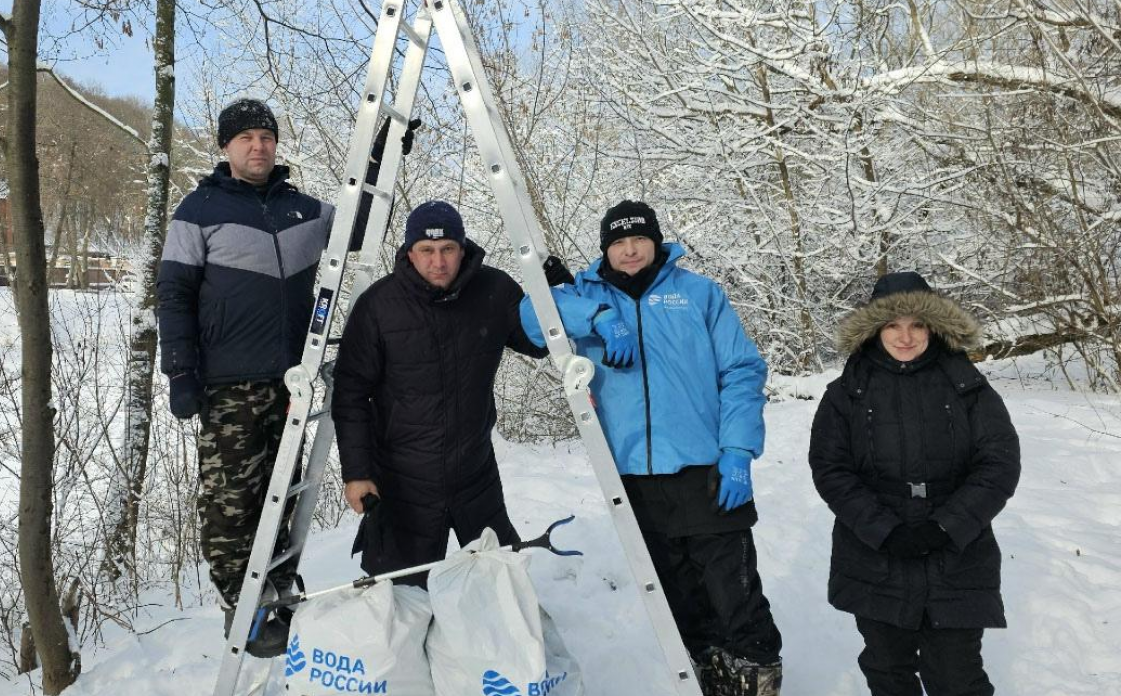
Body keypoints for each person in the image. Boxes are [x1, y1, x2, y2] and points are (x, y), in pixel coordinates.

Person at [156, 98, 414, 655]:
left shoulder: (304, 211)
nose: (258, 146)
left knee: (280, 496)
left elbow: (359, 231)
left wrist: (379, 164)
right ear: (226, 147)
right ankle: (240, 609)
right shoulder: (197, 210)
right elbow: (173, 293)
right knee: (231, 502)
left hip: (291, 382)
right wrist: (180, 369)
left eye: (266, 137)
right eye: (246, 138)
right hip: (228, 385)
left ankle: (274, 589)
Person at [520, 200, 783, 695]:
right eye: (618, 242)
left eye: (638, 239)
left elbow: (742, 371)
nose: (630, 249)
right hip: (634, 476)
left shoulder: (699, 293)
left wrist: (738, 452)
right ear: (606, 250)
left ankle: (758, 676)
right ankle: (711, 675)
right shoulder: (585, 295)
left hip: (706, 468)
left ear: (656, 242)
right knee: (676, 591)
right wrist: (597, 316)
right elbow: (530, 315)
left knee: (735, 592)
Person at [808, 271, 1019, 696]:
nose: (905, 337)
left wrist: (947, 526)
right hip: (875, 554)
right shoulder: (846, 393)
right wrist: (882, 530)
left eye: (916, 325)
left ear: (933, 327)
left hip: (956, 552)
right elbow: (831, 468)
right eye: (892, 325)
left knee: (957, 675)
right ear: (874, 329)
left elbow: (999, 463)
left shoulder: (969, 387)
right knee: (888, 670)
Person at [331, 200, 551, 583]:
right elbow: (350, 394)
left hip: (475, 473)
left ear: (462, 249)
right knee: (400, 598)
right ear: (409, 252)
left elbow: (541, 342)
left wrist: (554, 293)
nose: (438, 262)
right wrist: (357, 472)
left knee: (501, 583)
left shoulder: (493, 291)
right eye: (427, 250)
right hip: (403, 481)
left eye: (448, 249)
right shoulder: (379, 307)